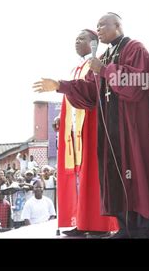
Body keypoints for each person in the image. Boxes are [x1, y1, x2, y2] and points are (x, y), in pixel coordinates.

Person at [33, 14, 149, 238]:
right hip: (109, 130)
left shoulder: (134, 48)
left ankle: (144, 228)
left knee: (136, 174)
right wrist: (60, 85)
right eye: (97, 25)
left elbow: (138, 84)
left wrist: (106, 70)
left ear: (118, 26)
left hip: (132, 127)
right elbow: (90, 93)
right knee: (113, 176)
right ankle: (125, 227)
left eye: (103, 25)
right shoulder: (103, 56)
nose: (98, 29)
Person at [51, 29, 118, 237]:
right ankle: (83, 221)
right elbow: (73, 97)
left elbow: (89, 93)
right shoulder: (76, 68)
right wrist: (62, 117)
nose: (77, 42)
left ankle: (101, 224)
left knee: (94, 175)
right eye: (75, 39)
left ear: (94, 43)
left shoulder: (97, 64)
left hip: (93, 124)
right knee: (80, 176)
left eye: (82, 39)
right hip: (76, 129)